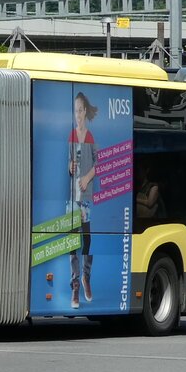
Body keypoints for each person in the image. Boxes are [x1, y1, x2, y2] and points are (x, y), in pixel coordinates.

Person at [68, 92, 98, 309]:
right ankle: (75, 284)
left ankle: (86, 277)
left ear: (85, 111)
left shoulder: (90, 137)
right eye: (75, 110)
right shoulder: (71, 136)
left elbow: (98, 164)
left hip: (85, 197)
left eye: (80, 110)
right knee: (72, 241)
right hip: (72, 198)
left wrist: (87, 178)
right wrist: (69, 167)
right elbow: (68, 163)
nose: (77, 114)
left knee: (86, 239)